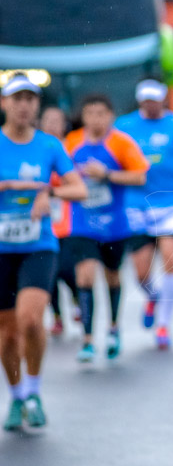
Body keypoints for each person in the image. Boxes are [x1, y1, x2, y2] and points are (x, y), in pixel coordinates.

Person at [0, 75, 86, 431]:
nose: (24, 105)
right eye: (17, 98)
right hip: (2, 249)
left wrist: (49, 192)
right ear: (4, 103)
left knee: (31, 321)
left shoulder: (49, 146)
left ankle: (34, 391)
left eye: (31, 99)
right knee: (6, 334)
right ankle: (17, 396)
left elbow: (78, 189)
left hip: (38, 245)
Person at [115, 79, 173, 350]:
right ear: (139, 100)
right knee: (141, 273)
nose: (150, 104)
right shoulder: (124, 127)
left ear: (163, 99)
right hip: (136, 205)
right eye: (145, 99)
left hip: (172, 202)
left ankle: (163, 326)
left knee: (171, 259)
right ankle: (153, 296)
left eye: (155, 99)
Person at [63, 94, 149, 361]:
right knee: (85, 276)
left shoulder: (121, 143)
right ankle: (87, 339)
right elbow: (58, 174)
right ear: (84, 116)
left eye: (101, 113)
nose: (95, 119)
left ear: (110, 116)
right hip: (82, 224)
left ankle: (113, 328)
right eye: (90, 113)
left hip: (115, 225)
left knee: (112, 276)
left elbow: (140, 176)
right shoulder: (72, 142)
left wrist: (108, 175)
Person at [39, 106, 79, 337]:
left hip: (70, 219)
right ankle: (56, 316)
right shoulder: (37, 147)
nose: (53, 125)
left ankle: (76, 300)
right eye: (48, 120)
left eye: (57, 120)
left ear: (65, 124)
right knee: (49, 273)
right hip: (43, 220)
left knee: (66, 267)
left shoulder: (72, 147)